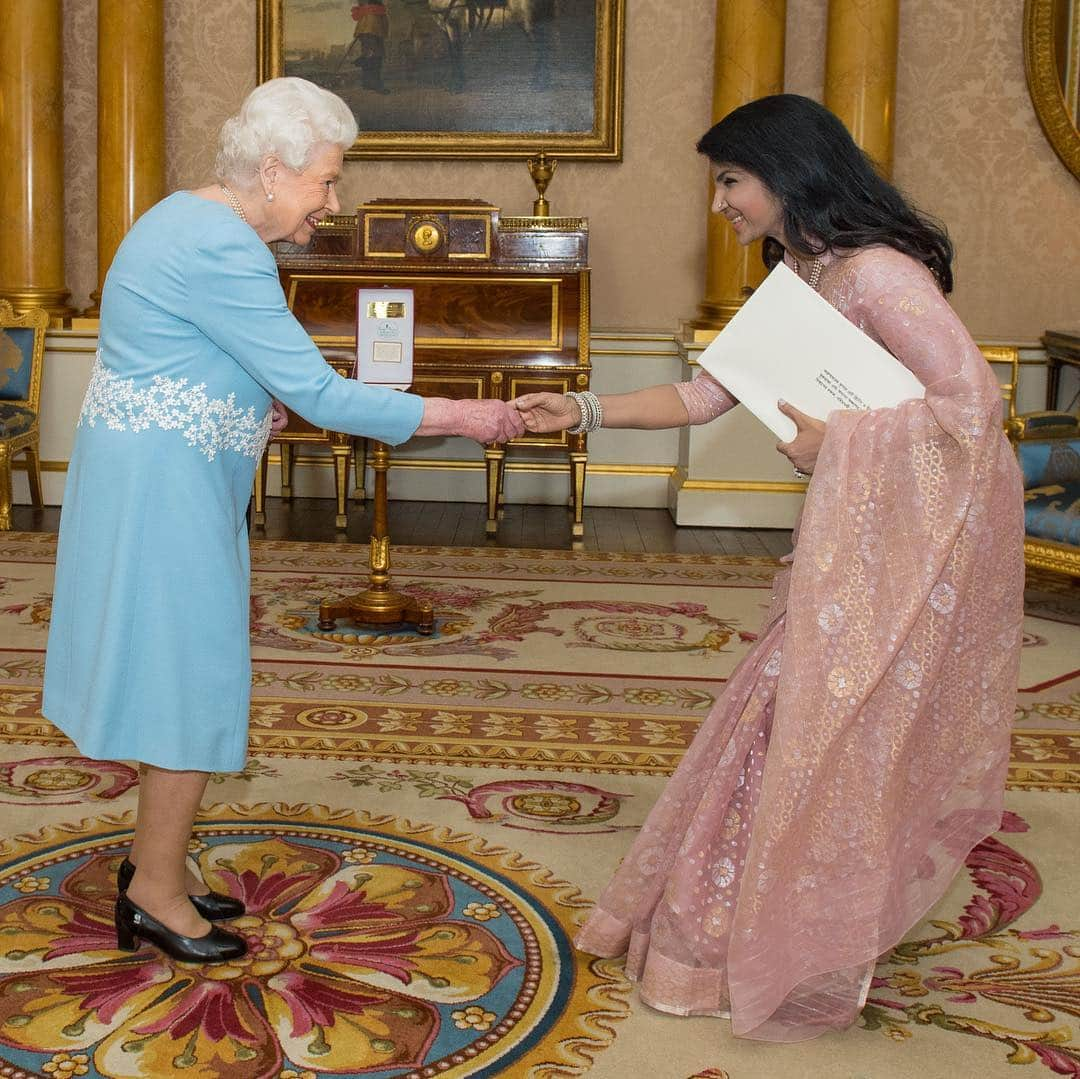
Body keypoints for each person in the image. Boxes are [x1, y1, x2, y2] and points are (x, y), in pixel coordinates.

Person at [512, 94, 1024, 1042]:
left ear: (788, 176)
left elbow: (972, 407)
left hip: (921, 535)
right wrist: (581, 412)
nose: (720, 203)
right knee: (804, 710)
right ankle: (787, 907)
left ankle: (813, 923)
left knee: (840, 717)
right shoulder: (803, 271)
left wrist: (842, 440)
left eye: (730, 180)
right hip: (860, 530)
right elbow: (710, 391)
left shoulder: (879, 274)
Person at [43, 77, 524, 965]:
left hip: (158, 477)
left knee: (172, 664)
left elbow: (181, 353)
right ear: (272, 171)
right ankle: (152, 891)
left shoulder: (182, 218)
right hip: (165, 493)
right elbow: (316, 388)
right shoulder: (224, 247)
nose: (332, 205)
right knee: (188, 671)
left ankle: (163, 864)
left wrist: (248, 399)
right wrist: (464, 415)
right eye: (326, 183)